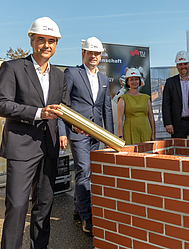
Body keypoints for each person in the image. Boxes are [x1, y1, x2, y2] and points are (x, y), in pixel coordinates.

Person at [0, 17, 72, 249]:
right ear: (31, 40)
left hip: (49, 147)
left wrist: (76, 126)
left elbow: (64, 110)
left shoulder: (59, 75)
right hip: (21, 148)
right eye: (41, 40)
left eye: (51, 41)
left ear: (56, 44)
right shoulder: (13, 68)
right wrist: (38, 113)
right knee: (17, 206)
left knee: (44, 206)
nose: (46, 45)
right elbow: (0, 104)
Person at [58, 37, 114, 236]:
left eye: (97, 53)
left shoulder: (104, 79)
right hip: (78, 132)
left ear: (100, 56)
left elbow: (106, 109)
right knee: (84, 170)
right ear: (83, 53)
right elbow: (62, 104)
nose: (93, 56)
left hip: (96, 134)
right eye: (90, 52)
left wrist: (110, 138)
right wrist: (63, 131)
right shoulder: (72, 73)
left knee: (85, 173)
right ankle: (87, 218)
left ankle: (77, 207)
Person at [117, 68, 155, 144]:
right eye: (131, 80)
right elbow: (120, 119)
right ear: (127, 82)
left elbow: (151, 116)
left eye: (136, 79)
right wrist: (120, 136)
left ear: (140, 81)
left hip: (145, 131)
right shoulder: (123, 98)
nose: (134, 82)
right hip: (130, 132)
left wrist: (153, 133)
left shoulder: (146, 98)